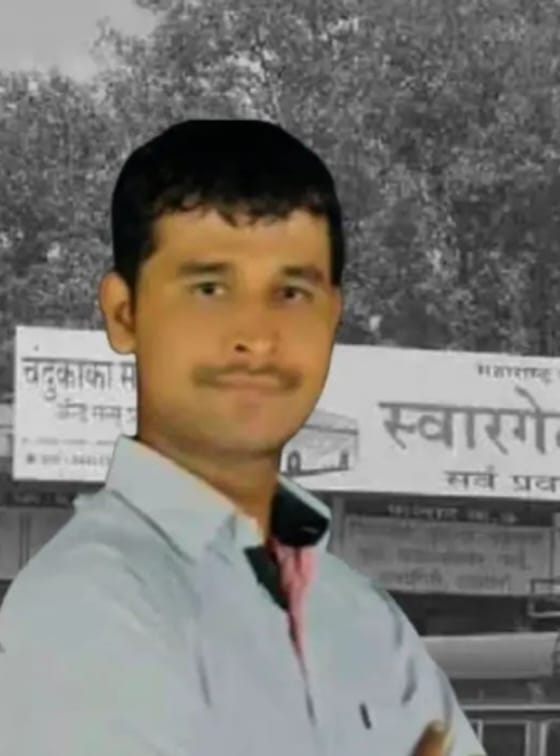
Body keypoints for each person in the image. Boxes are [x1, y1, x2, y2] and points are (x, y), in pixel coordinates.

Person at [0, 119, 484, 756]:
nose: (256, 337)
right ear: (124, 313)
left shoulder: (366, 618)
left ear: (333, 317)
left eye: (292, 292)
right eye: (209, 288)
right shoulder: (80, 608)